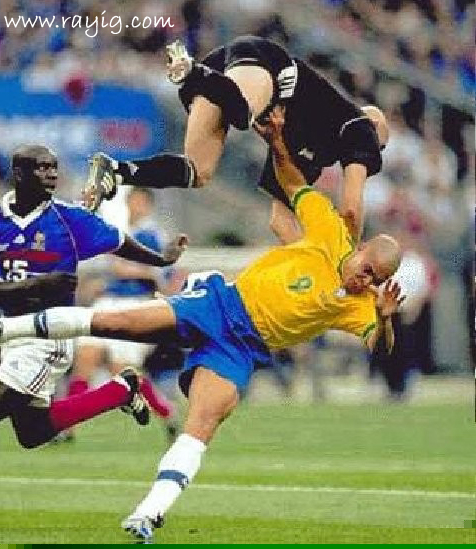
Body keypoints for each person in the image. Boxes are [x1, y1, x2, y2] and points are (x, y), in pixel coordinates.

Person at [0, 111, 404, 542]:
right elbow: (292, 184)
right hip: (220, 303)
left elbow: (380, 349)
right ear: (361, 248)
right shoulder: (330, 232)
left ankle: (148, 513)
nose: (366, 281)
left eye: (375, 280)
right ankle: (18, 335)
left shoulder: (363, 305)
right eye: (367, 269)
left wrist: (385, 319)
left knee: (204, 421)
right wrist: (278, 140)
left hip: (243, 348)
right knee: (116, 324)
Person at [84, 35, 388, 243]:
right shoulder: (360, 127)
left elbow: (280, 223)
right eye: (378, 148)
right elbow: (350, 210)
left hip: (224, 82)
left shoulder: (306, 157)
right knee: (244, 117)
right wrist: (346, 260)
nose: (370, 159)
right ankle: (192, 72)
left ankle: (115, 171)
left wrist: (312, 266)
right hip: (264, 63)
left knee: (197, 171)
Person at [0, 144, 187, 448]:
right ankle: (121, 390)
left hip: (46, 337)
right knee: (32, 431)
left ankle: (154, 405)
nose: (51, 174)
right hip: (7, 331)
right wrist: (36, 286)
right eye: (42, 167)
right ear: (19, 174)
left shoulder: (69, 218)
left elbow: (118, 242)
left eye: (54, 167)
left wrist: (161, 260)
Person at [67, 188, 180, 443]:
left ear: (148, 205)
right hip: (108, 302)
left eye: (140, 201)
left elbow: (164, 276)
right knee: (85, 358)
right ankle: (67, 426)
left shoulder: (153, 236)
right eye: (132, 201)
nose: (134, 205)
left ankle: (166, 412)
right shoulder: (120, 232)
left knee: (123, 370)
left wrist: (130, 271)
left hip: (135, 306)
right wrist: (104, 282)